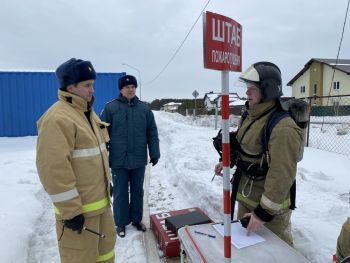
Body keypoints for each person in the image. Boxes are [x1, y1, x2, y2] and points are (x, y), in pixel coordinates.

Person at [214, 61, 303, 246]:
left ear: (268, 90)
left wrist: (263, 213)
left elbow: (282, 174)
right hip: (246, 198)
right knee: (246, 250)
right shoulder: (250, 115)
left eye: (252, 88)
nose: (247, 93)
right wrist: (227, 159)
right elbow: (243, 144)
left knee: (274, 254)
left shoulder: (283, 128)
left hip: (271, 210)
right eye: (247, 88)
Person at [36, 58, 116, 263]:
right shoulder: (57, 118)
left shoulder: (88, 114)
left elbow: (93, 157)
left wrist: (107, 185)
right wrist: (70, 212)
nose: (92, 90)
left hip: (101, 207)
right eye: (87, 85)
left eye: (93, 84)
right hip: (79, 215)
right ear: (71, 87)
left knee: (105, 255)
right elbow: (53, 169)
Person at [100, 74, 160, 238]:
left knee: (137, 191)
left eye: (133, 87)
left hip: (139, 159)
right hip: (118, 160)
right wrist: (102, 157)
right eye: (127, 87)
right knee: (119, 192)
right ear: (121, 89)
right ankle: (120, 223)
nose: (130, 89)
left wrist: (154, 153)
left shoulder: (144, 109)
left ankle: (136, 219)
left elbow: (152, 133)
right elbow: (101, 135)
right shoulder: (110, 108)